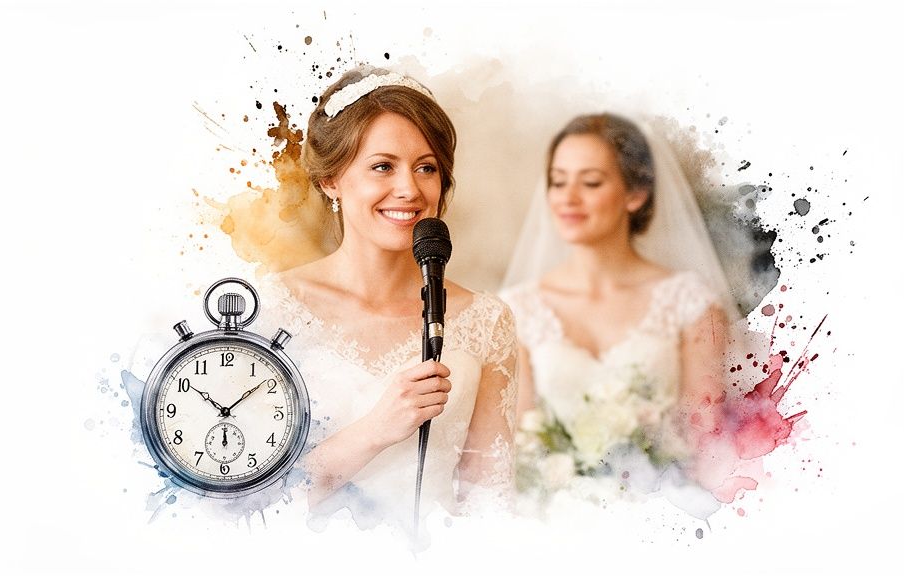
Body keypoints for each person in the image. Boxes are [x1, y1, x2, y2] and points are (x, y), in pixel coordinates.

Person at [263, 66, 517, 531]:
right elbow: (242, 502)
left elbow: (490, 503)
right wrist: (377, 429)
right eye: (383, 166)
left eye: (426, 168)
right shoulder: (269, 311)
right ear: (331, 180)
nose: (410, 189)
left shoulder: (486, 320)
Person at [500, 113, 735, 511]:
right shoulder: (518, 309)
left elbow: (707, 440)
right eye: (558, 182)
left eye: (590, 182)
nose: (567, 198)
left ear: (635, 193)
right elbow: (516, 444)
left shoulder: (692, 304)